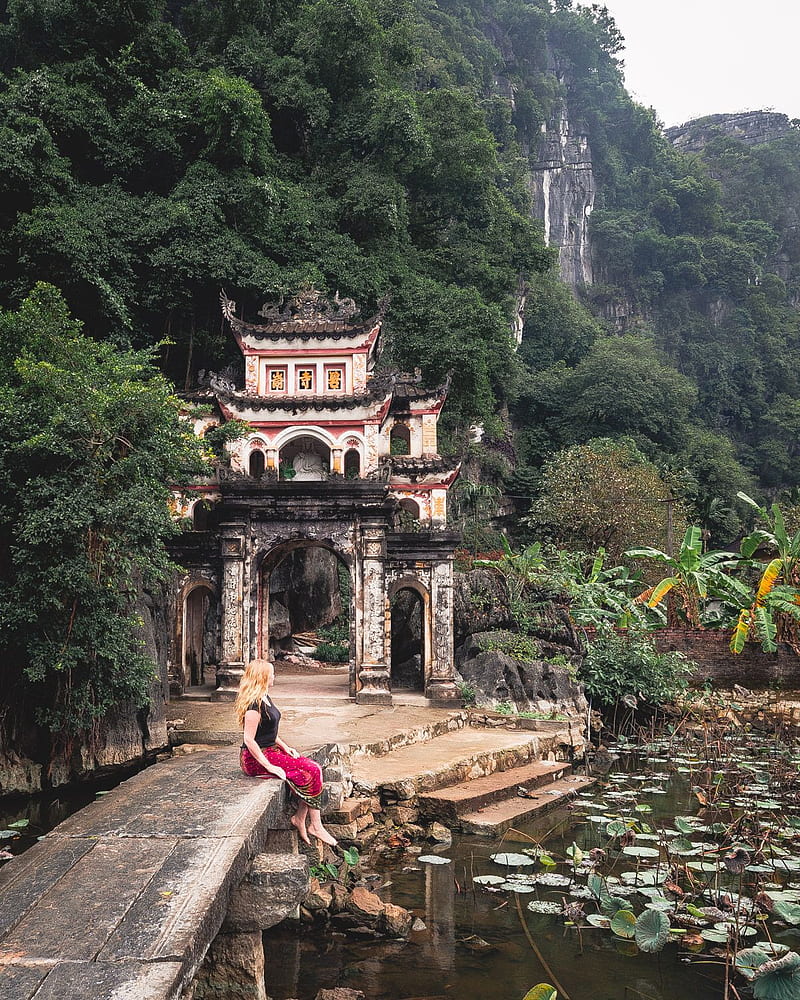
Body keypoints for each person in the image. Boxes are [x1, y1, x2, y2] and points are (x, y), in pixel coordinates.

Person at [235, 658, 337, 847]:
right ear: (263, 677)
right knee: (312, 770)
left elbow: (269, 731)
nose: (275, 676)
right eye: (272, 673)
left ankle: (300, 818)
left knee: (312, 770)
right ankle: (315, 825)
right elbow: (249, 740)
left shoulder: (265, 697)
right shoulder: (253, 706)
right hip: (255, 759)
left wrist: (285, 746)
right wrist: (270, 766)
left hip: (271, 750)